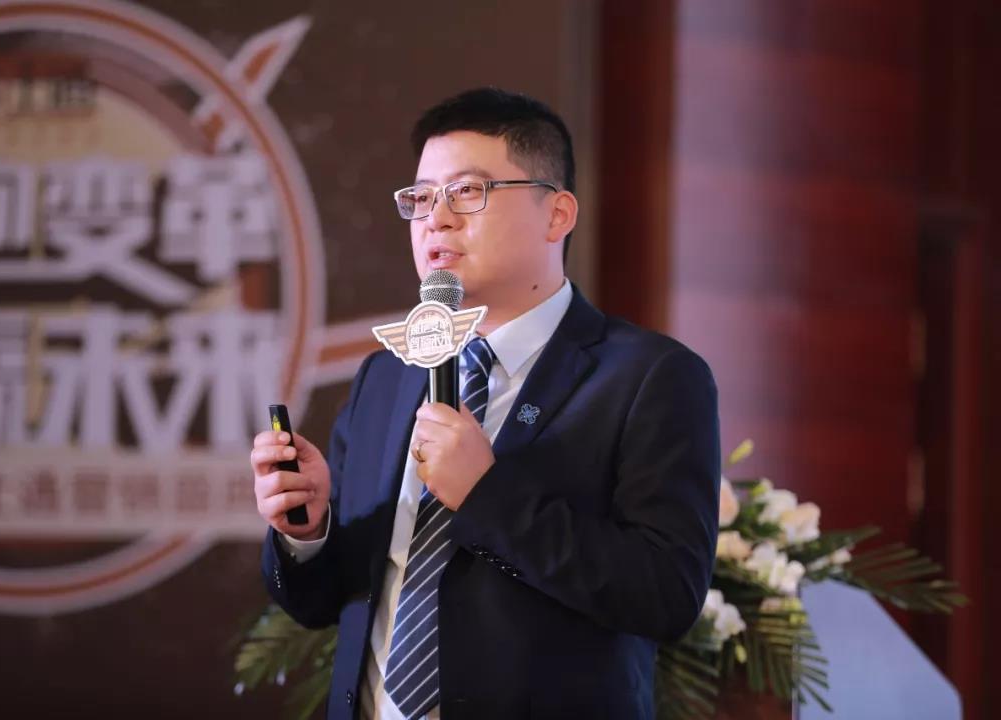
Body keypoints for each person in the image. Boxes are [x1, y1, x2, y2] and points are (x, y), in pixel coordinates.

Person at [251, 87, 720, 720]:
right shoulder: (387, 377)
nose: (436, 219)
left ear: (557, 215)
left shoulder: (649, 377)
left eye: (468, 191)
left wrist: (487, 496)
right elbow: (324, 602)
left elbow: (666, 595)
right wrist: (307, 530)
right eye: (421, 198)